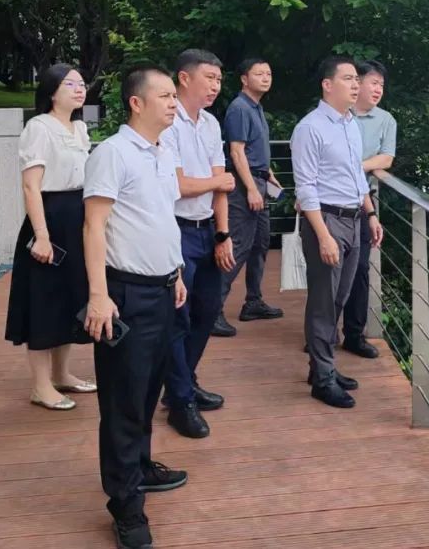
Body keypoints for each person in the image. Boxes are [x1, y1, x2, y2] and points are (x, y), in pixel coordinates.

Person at [82, 65, 189, 549]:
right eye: (164, 95)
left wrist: (177, 272)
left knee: (148, 391)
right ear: (136, 103)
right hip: (125, 294)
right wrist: (98, 295)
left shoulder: (163, 152)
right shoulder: (112, 153)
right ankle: (125, 505)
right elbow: (94, 226)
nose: (173, 103)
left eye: (174, 96)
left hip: (164, 289)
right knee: (123, 401)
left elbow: (162, 218)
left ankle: (140, 466)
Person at [291, 55, 384, 408]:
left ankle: (323, 366)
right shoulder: (310, 128)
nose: (356, 84)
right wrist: (323, 235)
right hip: (326, 220)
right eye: (348, 78)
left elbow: (356, 176)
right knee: (323, 303)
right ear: (327, 85)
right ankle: (323, 379)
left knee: (339, 298)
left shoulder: (349, 125)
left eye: (357, 79)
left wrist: (370, 214)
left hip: (354, 219)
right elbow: (306, 187)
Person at [4, 65, 95, 410]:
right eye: (70, 84)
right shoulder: (38, 128)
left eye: (82, 83)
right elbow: (31, 186)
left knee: (70, 297)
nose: (79, 89)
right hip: (49, 219)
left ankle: (61, 374)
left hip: (76, 217)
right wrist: (41, 236)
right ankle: (41, 386)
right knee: (44, 301)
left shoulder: (80, 128)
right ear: (52, 91)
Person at [159, 49, 235, 439]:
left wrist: (223, 234)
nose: (216, 86)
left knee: (207, 309)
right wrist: (216, 182)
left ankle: (183, 382)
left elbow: (220, 184)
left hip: (207, 229)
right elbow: (178, 185)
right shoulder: (167, 123)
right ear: (184, 78)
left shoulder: (210, 123)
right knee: (178, 315)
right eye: (210, 78)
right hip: (176, 229)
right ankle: (180, 400)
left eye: (219, 79)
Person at [218, 57, 283, 328]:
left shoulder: (256, 107)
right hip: (245, 186)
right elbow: (236, 152)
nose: (266, 78)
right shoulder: (240, 108)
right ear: (244, 79)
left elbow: (256, 150)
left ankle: (253, 301)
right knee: (239, 245)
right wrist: (251, 189)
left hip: (259, 181)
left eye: (268, 73)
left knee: (259, 244)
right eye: (259, 74)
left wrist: (269, 175)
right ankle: (213, 309)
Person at [341, 60, 397, 359]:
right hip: (331, 200)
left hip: (363, 203)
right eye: (373, 83)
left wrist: (357, 167)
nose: (378, 90)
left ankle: (354, 334)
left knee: (361, 269)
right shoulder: (339, 113)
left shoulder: (386, 120)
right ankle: (321, 333)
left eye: (381, 85)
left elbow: (386, 158)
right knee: (329, 270)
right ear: (357, 83)